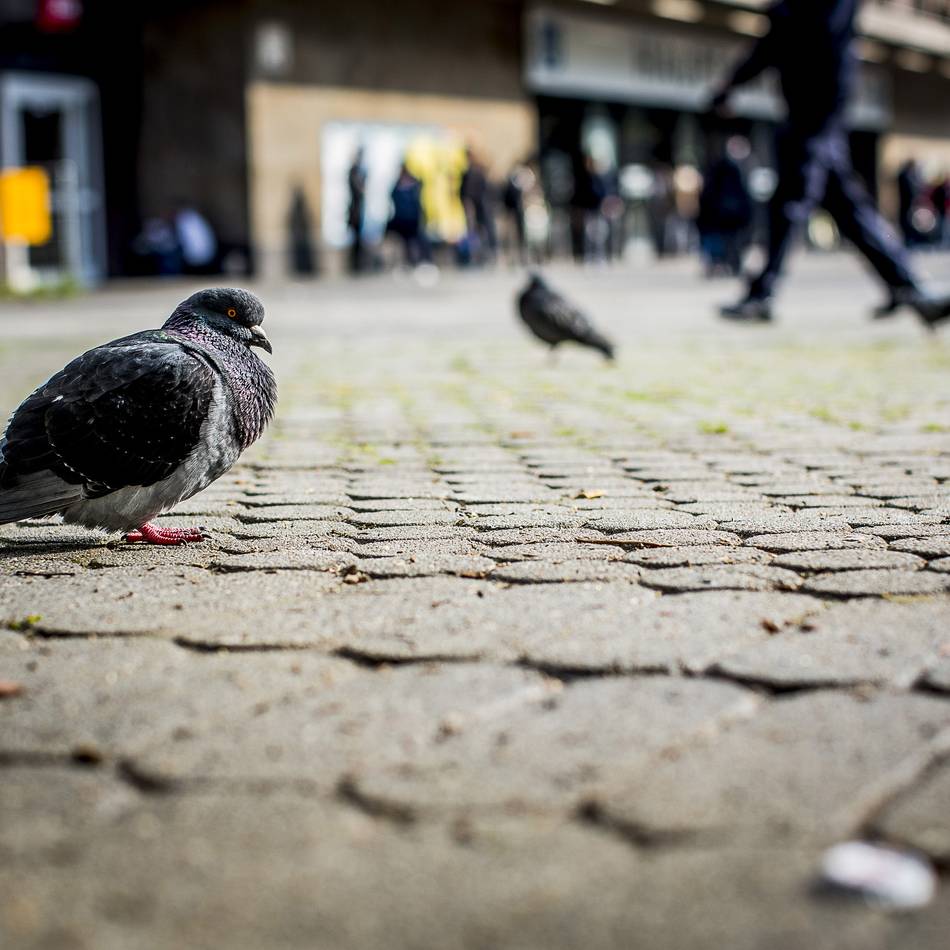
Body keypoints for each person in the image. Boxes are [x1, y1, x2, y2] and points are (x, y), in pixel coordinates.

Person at [709, 0, 950, 328]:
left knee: (790, 202)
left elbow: (791, 36)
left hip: (815, 115)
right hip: (818, 115)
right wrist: (732, 83)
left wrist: (733, 82)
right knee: (848, 209)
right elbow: (778, 41)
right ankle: (908, 287)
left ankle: (761, 295)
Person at [697, 135, 752, 277]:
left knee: (732, 240)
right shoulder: (730, 168)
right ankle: (725, 264)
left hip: (731, 212)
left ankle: (728, 264)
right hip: (725, 212)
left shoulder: (742, 167)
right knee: (727, 240)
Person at [387, 161, 430, 267]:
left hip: (412, 218)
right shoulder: (399, 184)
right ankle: (410, 261)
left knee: (416, 241)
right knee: (407, 242)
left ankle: (419, 260)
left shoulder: (412, 184)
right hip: (403, 219)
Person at [460, 147, 497, 265]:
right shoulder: (470, 172)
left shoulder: (475, 172)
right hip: (478, 207)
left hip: (481, 207)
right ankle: (477, 256)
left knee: (483, 231)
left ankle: (486, 255)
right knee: (476, 232)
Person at [347, 147, 367, 274]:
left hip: (358, 209)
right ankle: (355, 264)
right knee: (355, 239)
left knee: (359, 239)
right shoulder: (353, 172)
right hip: (355, 210)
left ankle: (358, 263)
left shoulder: (359, 172)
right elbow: (357, 190)